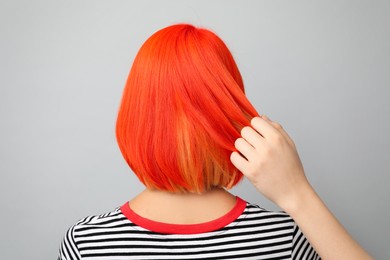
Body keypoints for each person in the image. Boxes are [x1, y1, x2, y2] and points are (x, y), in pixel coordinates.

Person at [58, 24, 371, 259]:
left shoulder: (86, 243)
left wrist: (297, 194)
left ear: (136, 118)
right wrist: (298, 194)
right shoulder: (287, 238)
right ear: (231, 113)